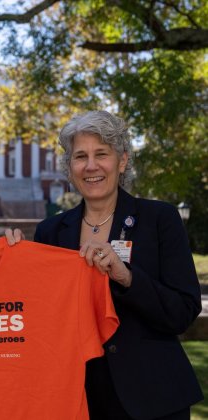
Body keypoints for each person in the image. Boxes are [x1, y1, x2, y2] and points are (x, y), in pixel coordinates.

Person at [33, 110, 203, 419]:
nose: (91, 166)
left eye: (102, 154)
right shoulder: (49, 232)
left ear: (122, 161)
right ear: (69, 168)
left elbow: (182, 312)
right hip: (79, 398)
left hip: (154, 398)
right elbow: (40, 318)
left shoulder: (160, 219)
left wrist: (126, 277)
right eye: (80, 156)